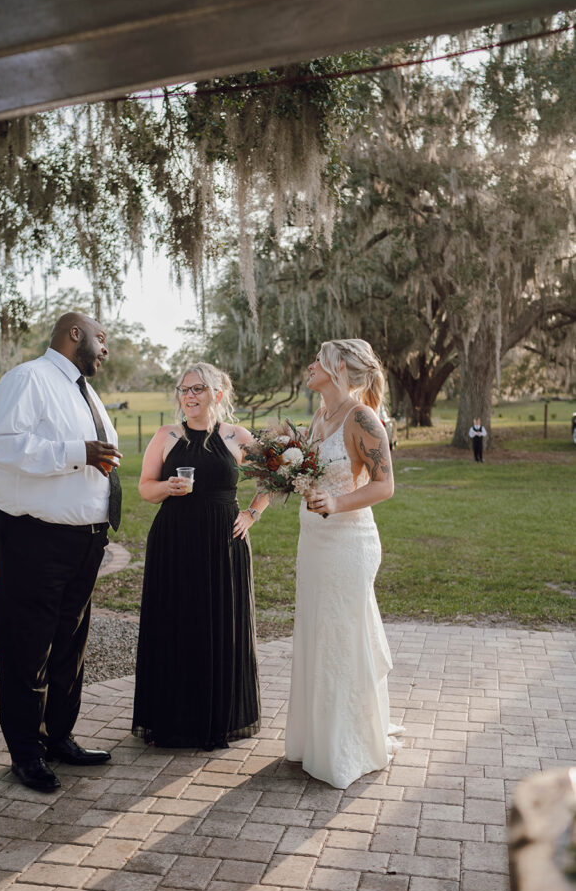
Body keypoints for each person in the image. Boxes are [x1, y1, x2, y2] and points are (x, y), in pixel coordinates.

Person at [0, 312, 122, 792]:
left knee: (69, 645)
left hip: (84, 540)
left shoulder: (84, 390)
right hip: (35, 539)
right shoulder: (28, 379)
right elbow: (1, 445)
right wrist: (75, 452)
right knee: (29, 648)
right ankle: (26, 752)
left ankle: (58, 737)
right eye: (101, 339)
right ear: (75, 334)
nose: (106, 349)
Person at [285, 338, 402, 789]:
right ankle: (314, 739)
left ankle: (345, 746)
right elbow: (313, 474)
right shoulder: (320, 416)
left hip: (348, 543)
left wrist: (336, 502)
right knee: (317, 632)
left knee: (340, 637)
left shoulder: (361, 417)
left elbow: (384, 485)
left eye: (319, 360)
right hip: (313, 538)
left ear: (340, 371)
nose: (310, 365)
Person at [132, 362, 267, 750]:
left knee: (219, 623)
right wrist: (166, 488)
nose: (189, 397)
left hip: (223, 542)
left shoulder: (236, 436)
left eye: (198, 390)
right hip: (174, 540)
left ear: (217, 395)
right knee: (176, 622)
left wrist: (252, 513)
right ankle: (174, 719)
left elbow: (274, 477)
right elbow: (144, 487)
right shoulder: (165, 436)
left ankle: (217, 718)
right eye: (185, 390)